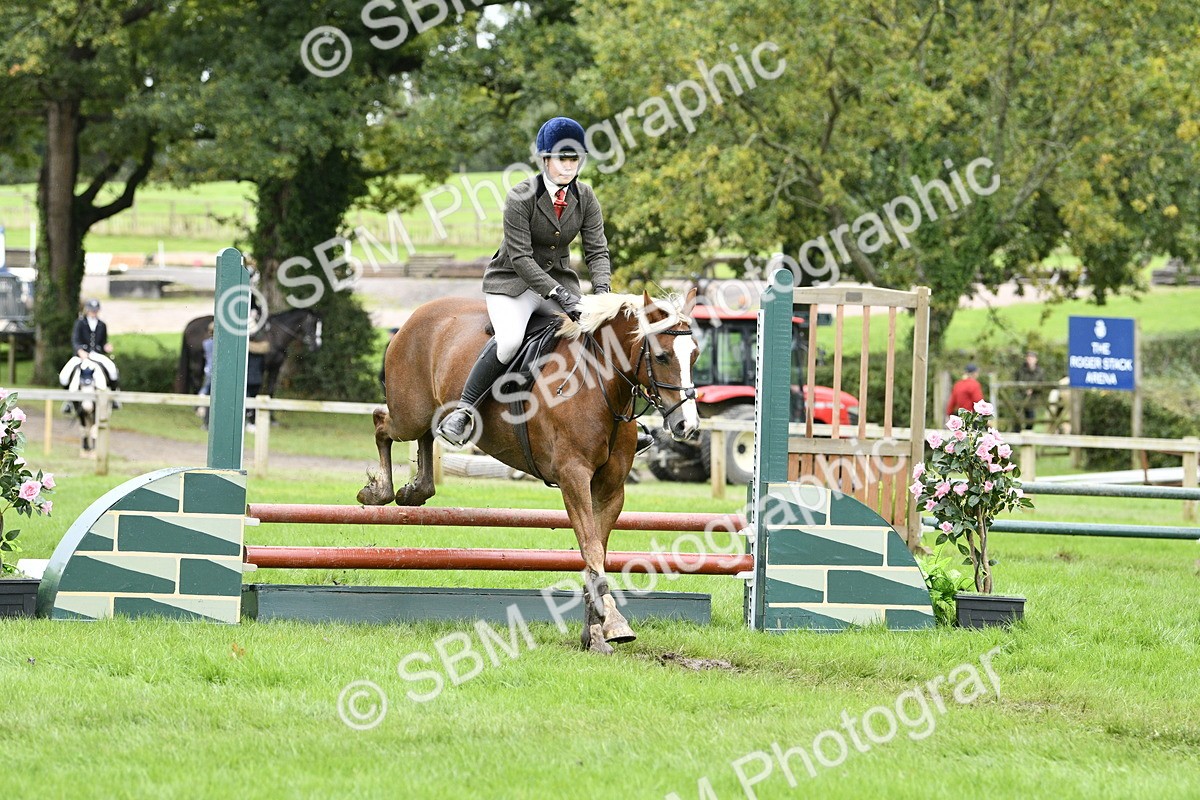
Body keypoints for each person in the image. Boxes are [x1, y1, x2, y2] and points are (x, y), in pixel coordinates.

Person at [436, 116, 612, 445]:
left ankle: (615, 423)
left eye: (574, 158)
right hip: (514, 284)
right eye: (562, 158)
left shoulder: (585, 197)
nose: (568, 166)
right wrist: (560, 295)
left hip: (560, 284)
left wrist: (602, 298)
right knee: (510, 341)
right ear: (545, 160)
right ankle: (464, 410)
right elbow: (521, 258)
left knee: (600, 334)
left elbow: (597, 252)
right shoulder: (521, 196)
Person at [61, 298, 120, 410]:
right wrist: (80, 351)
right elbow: (75, 340)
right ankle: (68, 401)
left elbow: (102, 342)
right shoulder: (79, 323)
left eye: (96, 310)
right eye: (92, 310)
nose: (94, 312)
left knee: (112, 370)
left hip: (96, 354)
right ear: (87, 310)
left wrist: (106, 347)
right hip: (81, 354)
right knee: (64, 375)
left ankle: (113, 399)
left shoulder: (102, 325)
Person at [1015, 350, 1045, 430]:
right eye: (1028, 358)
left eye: (1032, 358)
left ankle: (1028, 432)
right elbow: (1017, 382)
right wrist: (1025, 390)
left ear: (1036, 359)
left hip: (1033, 398)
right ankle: (1017, 433)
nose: (1030, 359)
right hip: (1021, 397)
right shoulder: (1021, 370)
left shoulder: (1040, 371)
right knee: (1017, 416)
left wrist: (1033, 389)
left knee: (1031, 417)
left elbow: (1042, 385)